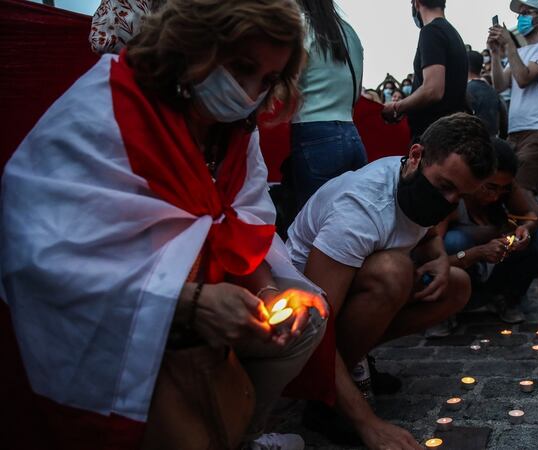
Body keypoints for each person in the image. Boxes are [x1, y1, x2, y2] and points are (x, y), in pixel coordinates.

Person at [1, 1, 329, 449]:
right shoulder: (105, 110)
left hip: (199, 305)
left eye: (267, 80)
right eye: (241, 67)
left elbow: (239, 221)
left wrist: (270, 292)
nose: (249, 92)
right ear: (195, 44)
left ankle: (242, 433)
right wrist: (189, 302)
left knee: (302, 323)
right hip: (115, 319)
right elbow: (43, 258)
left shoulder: (236, 130)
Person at [286, 113, 495, 449]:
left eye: (460, 197)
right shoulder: (360, 208)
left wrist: (439, 257)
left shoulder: (413, 180)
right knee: (393, 273)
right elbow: (313, 325)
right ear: (415, 155)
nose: (448, 203)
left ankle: (354, 361)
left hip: (345, 296)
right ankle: (323, 402)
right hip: (295, 324)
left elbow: (424, 230)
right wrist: (367, 423)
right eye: (444, 187)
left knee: (456, 285)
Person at [435, 138, 538, 325]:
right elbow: (433, 263)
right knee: (455, 241)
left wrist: (524, 230)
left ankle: (506, 298)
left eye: (504, 189)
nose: (495, 196)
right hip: (462, 272)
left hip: (495, 276)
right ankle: (448, 308)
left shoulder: (505, 188)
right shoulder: (451, 200)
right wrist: (477, 253)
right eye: (491, 187)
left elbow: (532, 216)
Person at [291, 0, 366, 209]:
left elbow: (289, 82)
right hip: (352, 134)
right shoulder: (350, 32)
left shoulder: (304, 27)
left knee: (312, 224)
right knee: (351, 220)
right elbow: (356, 92)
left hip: (314, 135)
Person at [488, 0, 538, 199]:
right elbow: (500, 85)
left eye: (526, 12)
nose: (521, 18)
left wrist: (509, 44)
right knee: (508, 192)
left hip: (537, 130)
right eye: (519, 15)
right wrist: (495, 54)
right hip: (515, 132)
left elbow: (523, 78)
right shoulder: (520, 53)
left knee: (523, 194)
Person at [382, 0, 468, 143]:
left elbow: (432, 90)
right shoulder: (452, 34)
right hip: (449, 135)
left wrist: (397, 107)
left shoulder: (431, 31)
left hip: (434, 139)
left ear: (416, 3)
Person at [466, 50, 506, 137]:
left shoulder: (466, 91)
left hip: (474, 141)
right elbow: (503, 120)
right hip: (493, 141)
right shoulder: (492, 91)